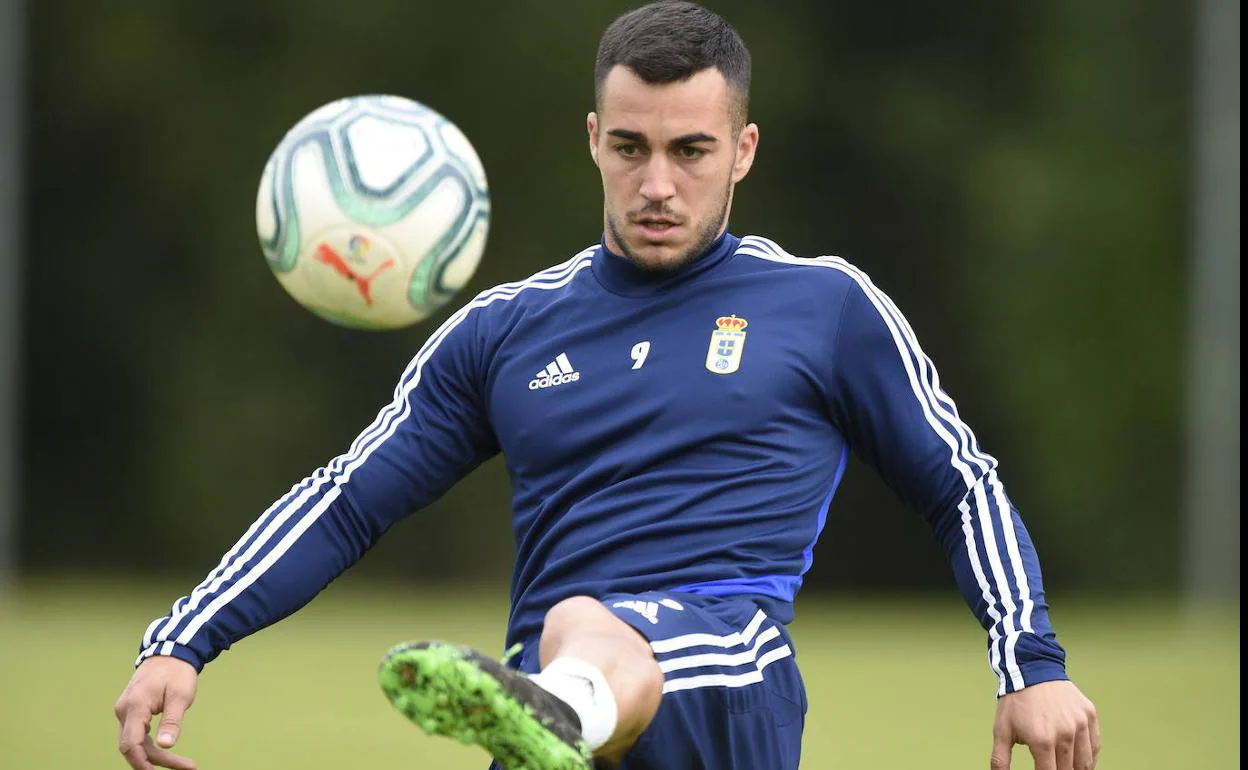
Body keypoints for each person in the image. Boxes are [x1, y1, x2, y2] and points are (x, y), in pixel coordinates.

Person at [113, 2, 1102, 769]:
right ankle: (555, 714)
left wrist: (1032, 665)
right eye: (631, 148)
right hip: (549, 712)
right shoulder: (504, 332)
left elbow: (958, 482)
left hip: (726, 674)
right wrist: (185, 637)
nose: (657, 182)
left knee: (581, 620)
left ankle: (565, 705)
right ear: (595, 138)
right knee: (567, 631)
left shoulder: (825, 306)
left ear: (743, 151)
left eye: (690, 150)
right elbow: (347, 497)